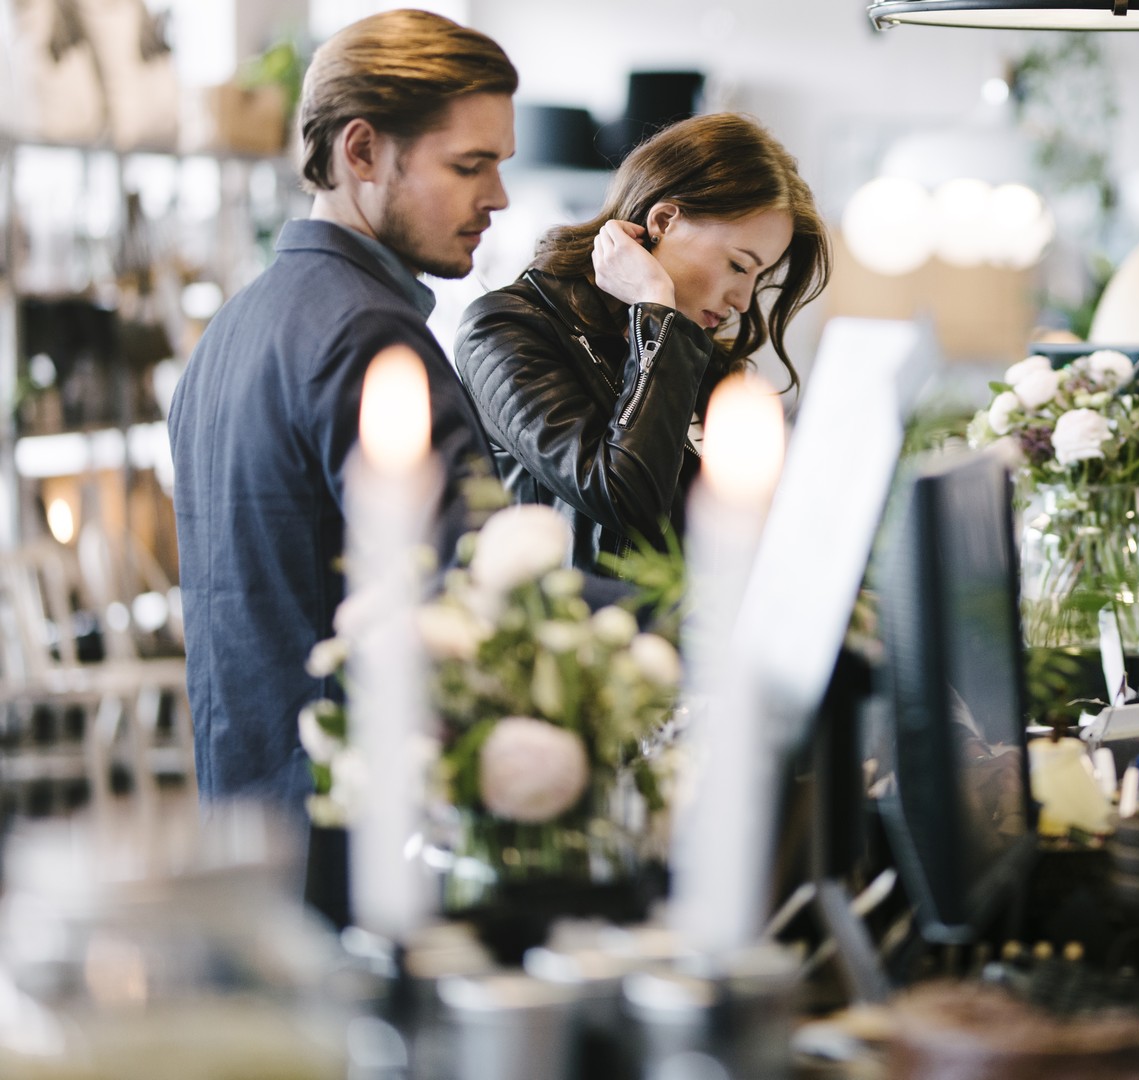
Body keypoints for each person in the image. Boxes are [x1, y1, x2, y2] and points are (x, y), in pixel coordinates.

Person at [168, 9, 515, 903]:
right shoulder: (367, 334)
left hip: (252, 827)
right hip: (357, 842)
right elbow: (486, 589)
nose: (498, 197)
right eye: (469, 165)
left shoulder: (240, 324)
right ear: (362, 151)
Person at [454, 113, 829, 568]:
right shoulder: (506, 329)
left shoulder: (688, 344)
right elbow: (626, 502)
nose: (744, 302)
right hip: (585, 629)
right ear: (665, 221)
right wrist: (656, 308)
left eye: (759, 276)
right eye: (738, 265)